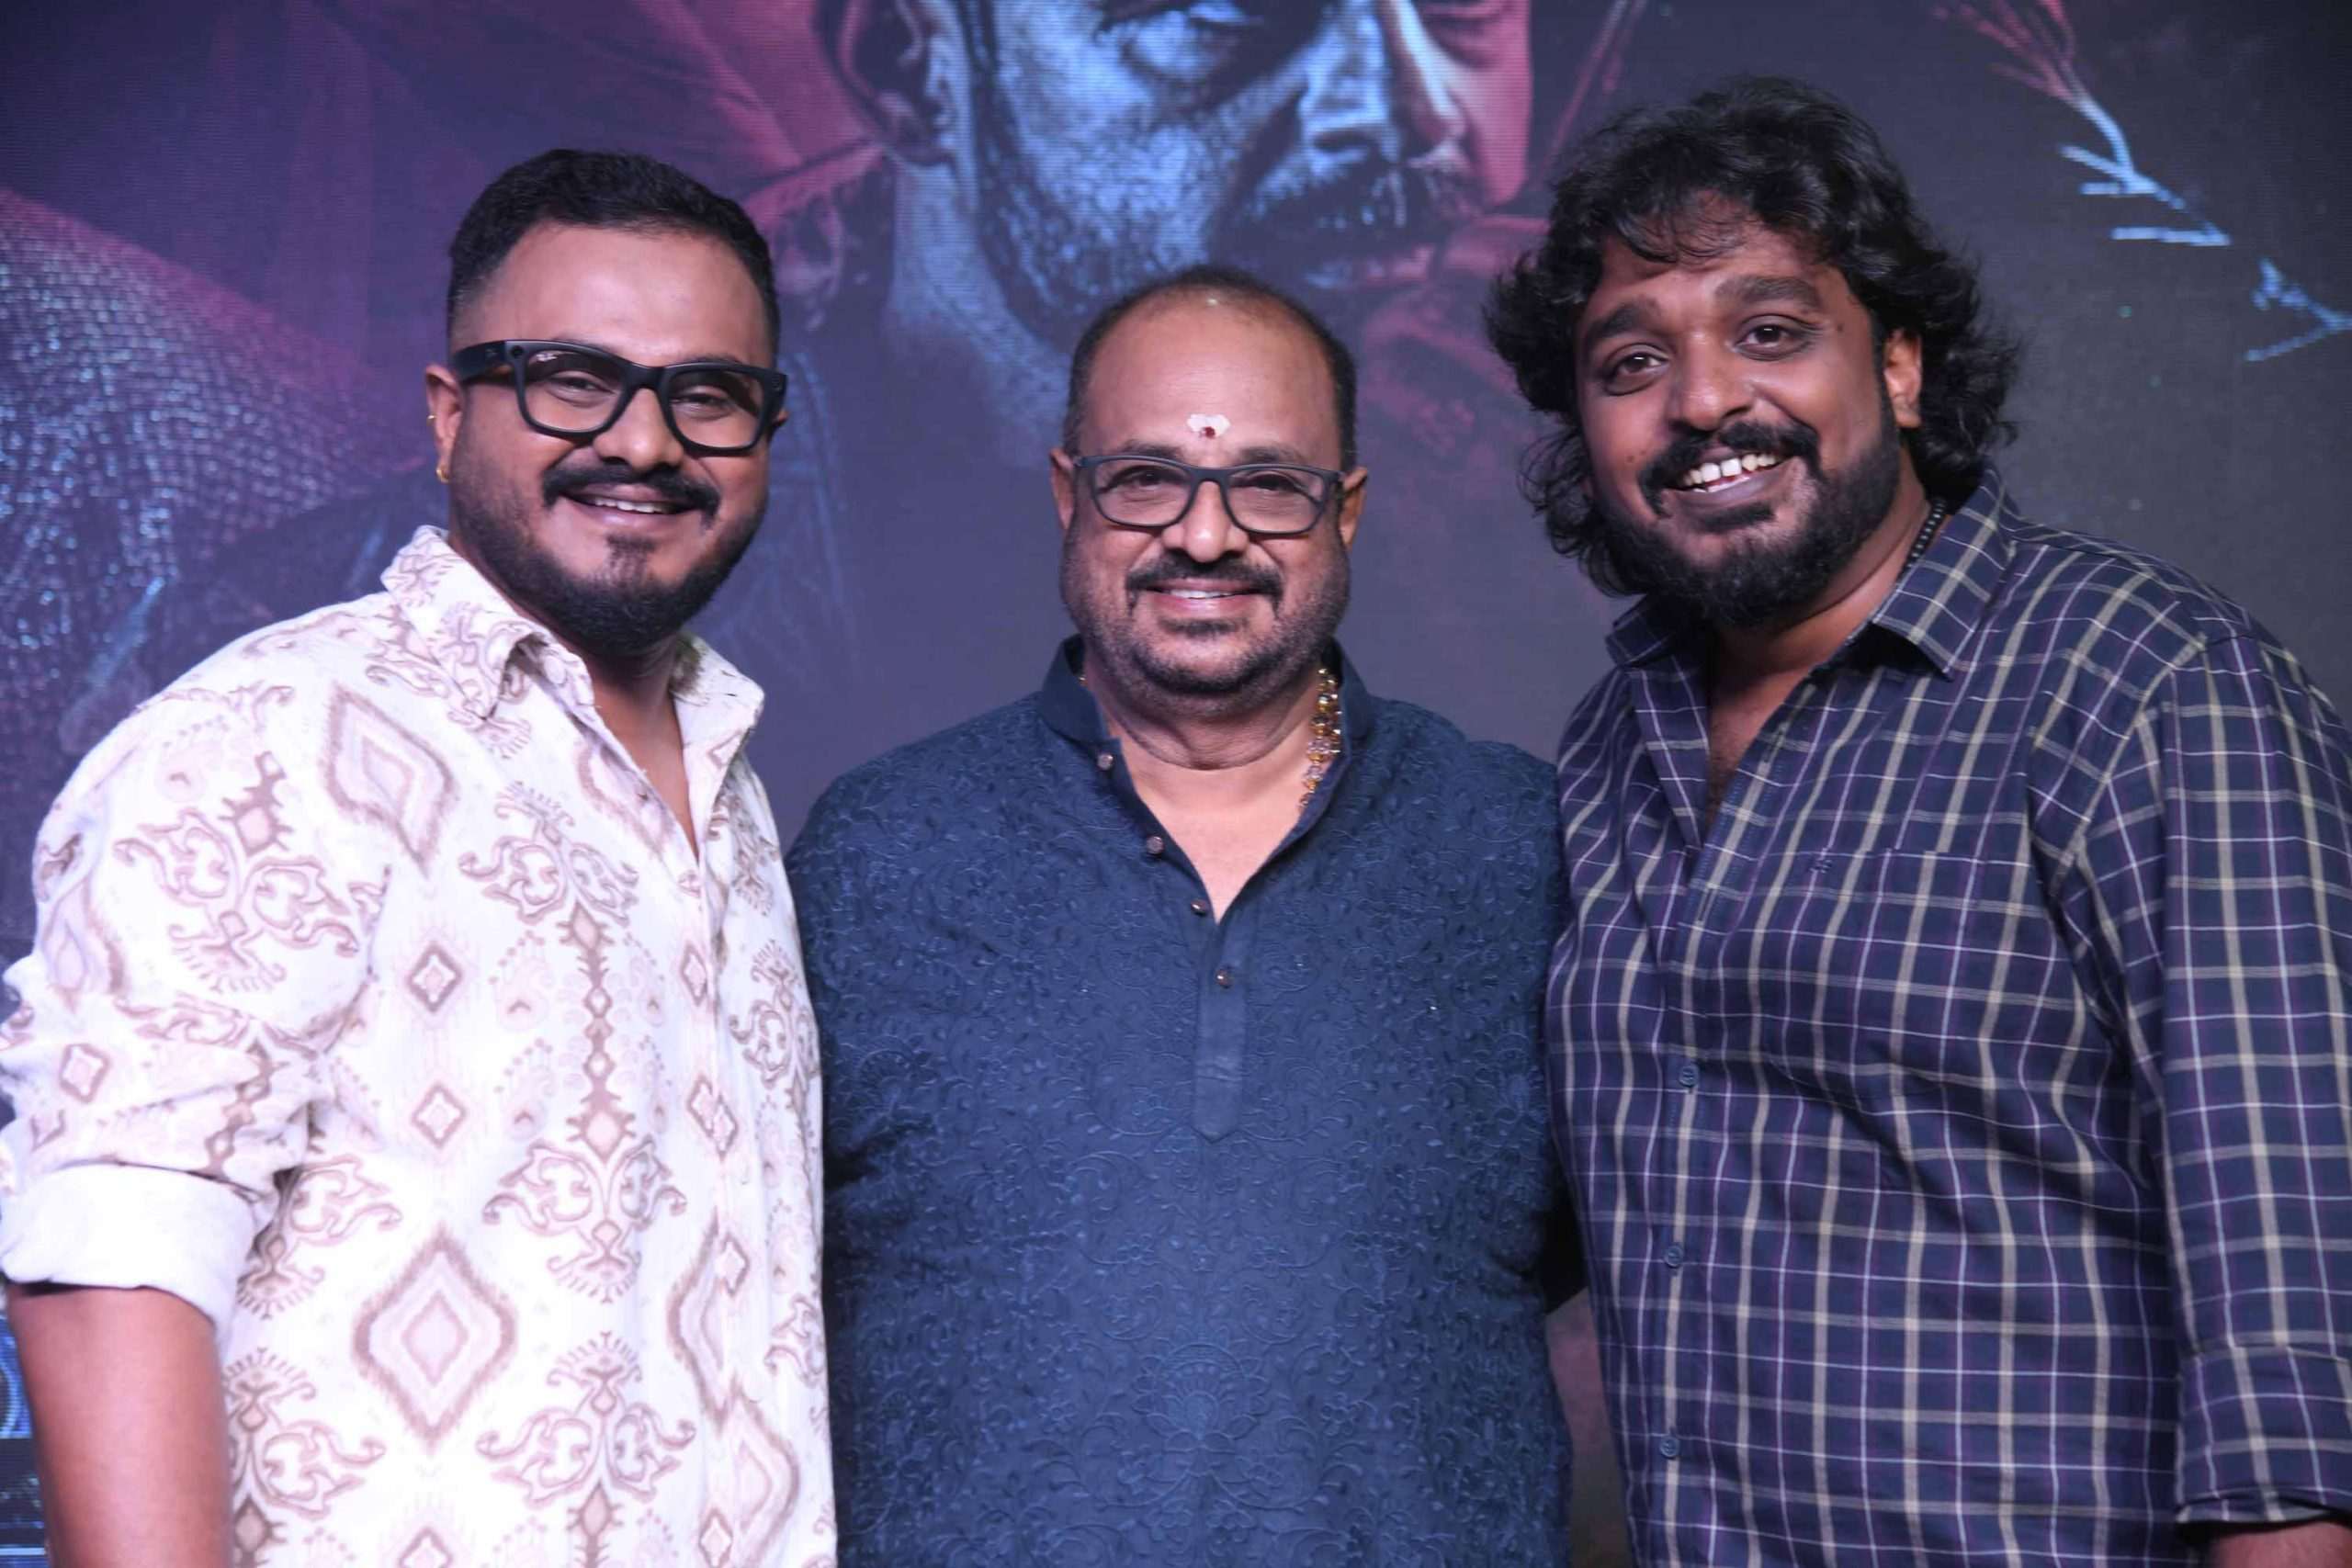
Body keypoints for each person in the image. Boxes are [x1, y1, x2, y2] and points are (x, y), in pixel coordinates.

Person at [1488, 76, 2352, 1563]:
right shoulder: (1610, 748)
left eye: (1771, 331)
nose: (1703, 402)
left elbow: (2296, 1287)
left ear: (1897, 364)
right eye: (1633, 360)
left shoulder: (2146, 683)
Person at [0, 150, 834, 1564]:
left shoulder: (731, 788)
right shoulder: (265, 738)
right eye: (572, 378)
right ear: (449, 414)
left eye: (708, 394)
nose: (644, 442)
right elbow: (105, 1265)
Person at [789, 263, 1573, 1563]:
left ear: (1348, 510)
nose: (1206, 537)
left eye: (1269, 484)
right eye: (1146, 479)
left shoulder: (1523, 847)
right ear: (1068, 495)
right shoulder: (881, 850)